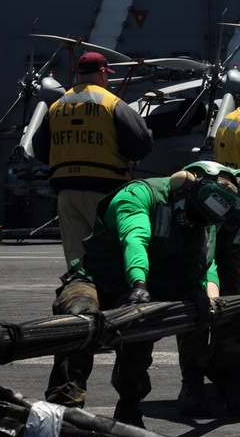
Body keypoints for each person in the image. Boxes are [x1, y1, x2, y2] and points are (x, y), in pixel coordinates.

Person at [44, 161, 239, 428]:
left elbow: (201, 261)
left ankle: (130, 409)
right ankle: (62, 415)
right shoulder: (138, 194)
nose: (196, 222)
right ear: (186, 185)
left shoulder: (204, 223)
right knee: (79, 321)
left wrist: (194, 287)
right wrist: (139, 283)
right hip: (96, 280)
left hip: (143, 290)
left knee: (139, 341)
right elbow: (134, 237)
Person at [33, 51, 154, 273]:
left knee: (77, 263)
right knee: (112, 255)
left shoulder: (57, 107)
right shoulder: (111, 103)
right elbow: (141, 144)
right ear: (102, 74)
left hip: (66, 194)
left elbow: (40, 149)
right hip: (105, 193)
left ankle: (81, 300)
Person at [176, 168, 240, 418]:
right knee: (194, 305)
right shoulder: (213, 208)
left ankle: (236, 377)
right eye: (231, 219)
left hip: (233, 264)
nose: (234, 225)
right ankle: (192, 381)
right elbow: (208, 261)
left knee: (239, 301)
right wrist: (212, 302)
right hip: (194, 260)